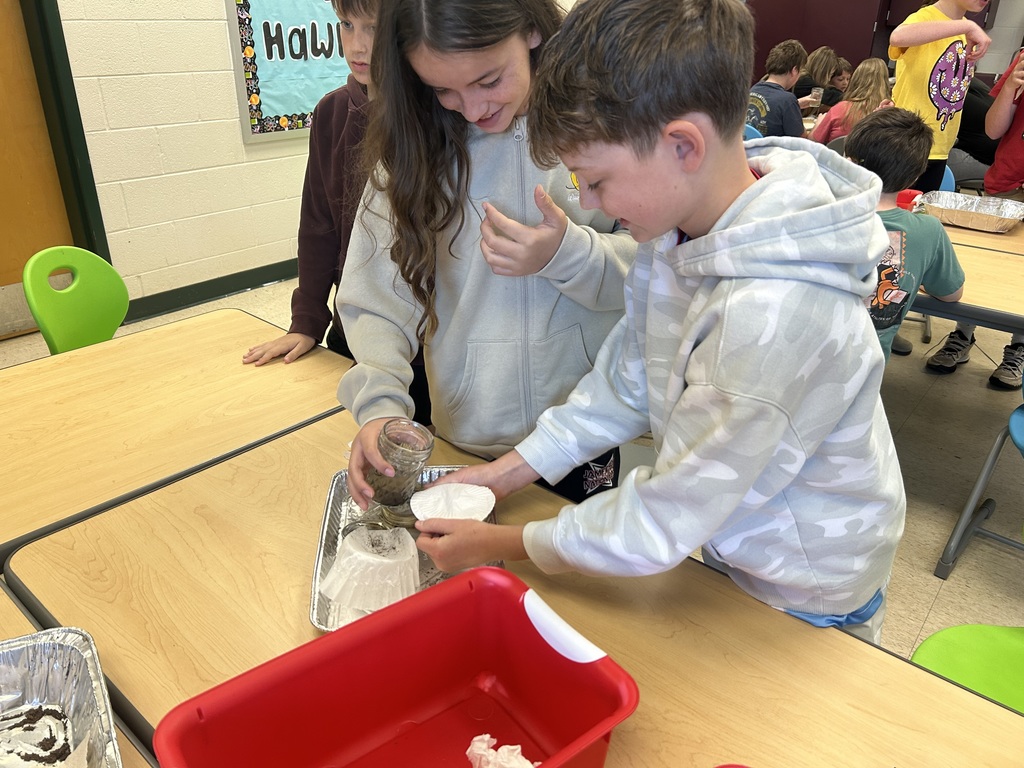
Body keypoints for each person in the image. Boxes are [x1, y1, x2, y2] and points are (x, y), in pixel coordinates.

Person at [416, 0, 906, 644]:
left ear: (682, 145)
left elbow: (663, 518)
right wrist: (503, 474)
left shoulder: (768, 315)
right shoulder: (681, 225)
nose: (589, 204)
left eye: (596, 180)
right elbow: (628, 379)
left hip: (806, 585)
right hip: (734, 536)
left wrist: (501, 543)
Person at [338, 0, 636, 505]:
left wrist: (568, 257)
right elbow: (375, 302)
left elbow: (658, 269)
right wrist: (381, 408)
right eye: (443, 90)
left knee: (565, 576)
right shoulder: (413, 151)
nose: (473, 109)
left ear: (531, 33)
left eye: (487, 80)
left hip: (580, 438)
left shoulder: (605, 125)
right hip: (465, 438)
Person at [240, 0, 432, 424]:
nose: (357, 45)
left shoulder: (437, 113)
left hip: (425, 343)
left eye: (373, 27)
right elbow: (318, 226)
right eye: (346, 25)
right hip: (353, 328)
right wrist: (306, 320)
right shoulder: (332, 113)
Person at [928, 47, 1024, 390]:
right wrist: (1011, 87)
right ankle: (962, 334)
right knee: (986, 263)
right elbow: (993, 130)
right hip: (1008, 181)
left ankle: (1019, 348)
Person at [845, 108, 965, 360]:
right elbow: (951, 293)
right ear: (915, 176)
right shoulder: (928, 230)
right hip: (863, 369)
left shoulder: (818, 212)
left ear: (848, 160)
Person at [889, 0, 991, 193]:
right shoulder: (927, 18)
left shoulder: (962, 31)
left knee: (920, 214)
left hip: (939, 145)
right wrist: (968, 25)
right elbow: (898, 36)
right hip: (907, 143)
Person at [810, 58, 893, 145]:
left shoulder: (840, 109)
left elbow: (812, 143)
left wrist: (818, 124)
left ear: (855, 79)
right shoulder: (892, 116)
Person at [747, 39, 810, 138]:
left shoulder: (753, 89)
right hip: (773, 151)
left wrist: (796, 105)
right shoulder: (787, 100)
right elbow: (802, 139)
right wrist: (819, 125)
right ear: (794, 70)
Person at [794, 46, 845, 112]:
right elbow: (829, 96)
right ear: (823, 71)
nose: (829, 79)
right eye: (830, 74)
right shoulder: (804, 80)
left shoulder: (804, 77)